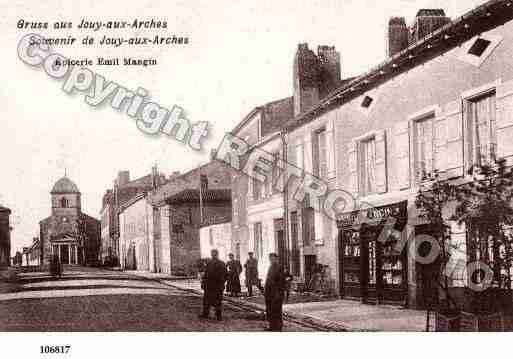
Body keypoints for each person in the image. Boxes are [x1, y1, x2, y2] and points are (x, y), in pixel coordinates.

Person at [199, 249, 227, 321]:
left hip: (216, 285)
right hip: (210, 285)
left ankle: (218, 316)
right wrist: (203, 283)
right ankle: (206, 314)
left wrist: (222, 283)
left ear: (217, 254)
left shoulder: (221, 263)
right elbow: (206, 274)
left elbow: (225, 275)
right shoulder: (210, 263)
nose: (213, 255)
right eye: (212, 254)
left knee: (217, 301)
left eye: (214, 254)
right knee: (207, 300)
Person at [264, 253, 286, 331]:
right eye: (270, 259)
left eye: (273, 258)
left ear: (276, 258)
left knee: (276, 310)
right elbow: (268, 280)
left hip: (276, 293)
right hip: (269, 293)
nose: (271, 260)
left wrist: (278, 293)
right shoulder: (271, 267)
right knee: (270, 310)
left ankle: (278, 326)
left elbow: (281, 281)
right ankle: (272, 326)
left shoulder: (280, 267)